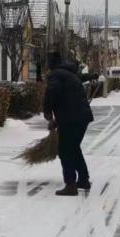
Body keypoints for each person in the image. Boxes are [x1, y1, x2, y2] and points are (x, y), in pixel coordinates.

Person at [43, 55, 94, 196]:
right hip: (80, 117)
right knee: (73, 148)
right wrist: (56, 120)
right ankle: (83, 180)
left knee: (65, 151)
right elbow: (68, 100)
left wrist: (47, 111)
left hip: (71, 118)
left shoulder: (56, 75)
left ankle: (70, 185)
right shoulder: (70, 74)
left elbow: (52, 93)